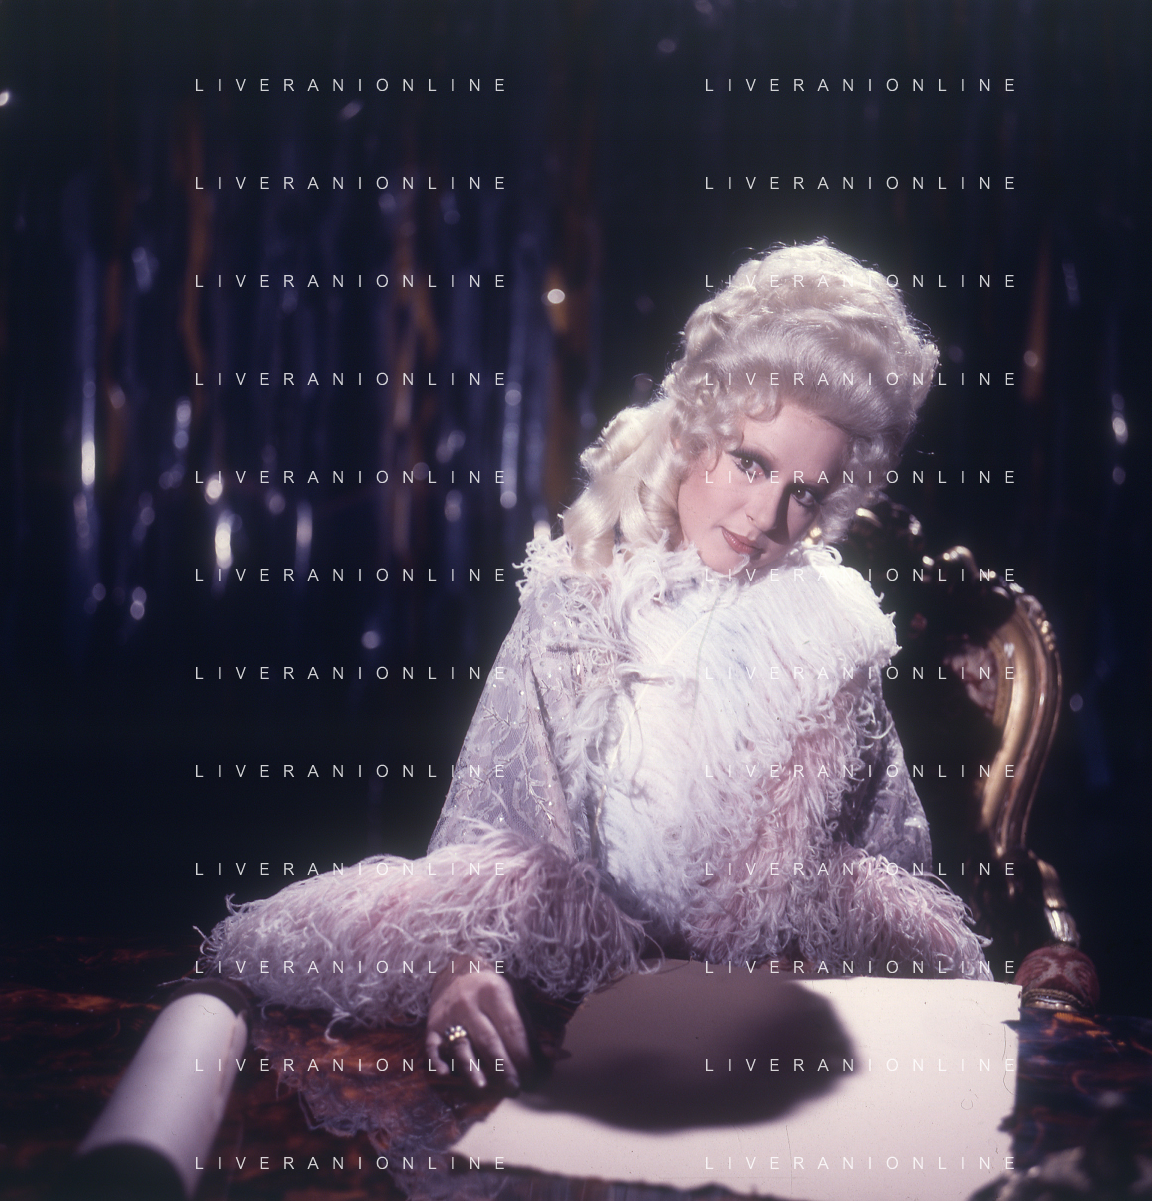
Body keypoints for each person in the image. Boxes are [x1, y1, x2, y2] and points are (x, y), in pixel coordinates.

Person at [205, 240, 991, 1096]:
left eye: (806, 491)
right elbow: (483, 852)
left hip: (762, 1056)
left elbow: (883, 881)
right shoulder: (576, 605)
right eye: (751, 462)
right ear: (696, 428)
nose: (767, 514)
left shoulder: (837, 637)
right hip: (579, 1030)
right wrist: (460, 974)